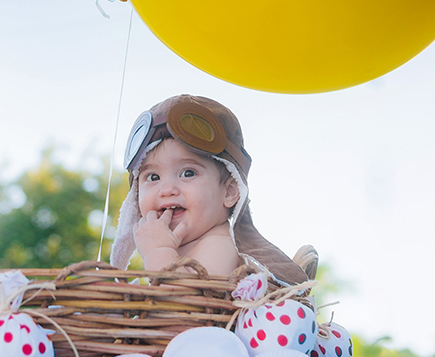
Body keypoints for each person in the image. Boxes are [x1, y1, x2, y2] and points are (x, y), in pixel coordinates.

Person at [109, 94, 316, 284]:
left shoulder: (220, 243)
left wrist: (158, 250)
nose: (167, 189)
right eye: (153, 177)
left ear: (229, 192)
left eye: (188, 173)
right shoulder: (173, 246)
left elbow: (186, 304)